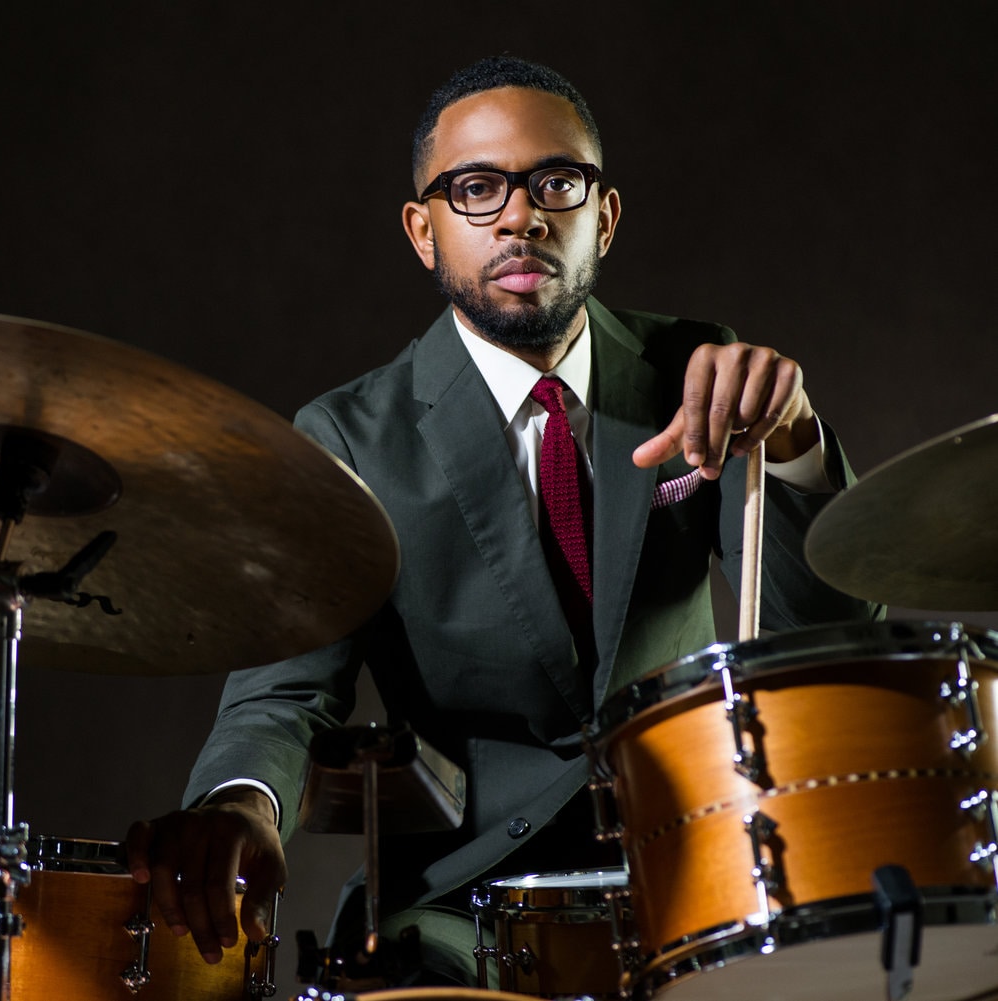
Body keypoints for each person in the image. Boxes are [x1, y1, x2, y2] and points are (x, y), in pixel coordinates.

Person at [123, 54, 883, 988]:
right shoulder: (348, 437)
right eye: (477, 188)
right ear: (423, 231)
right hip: (462, 902)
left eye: (555, 182)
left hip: (698, 873)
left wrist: (798, 443)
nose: (521, 216)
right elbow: (282, 693)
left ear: (602, 215)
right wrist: (243, 807)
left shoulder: (699, 369)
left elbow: (827, 640)